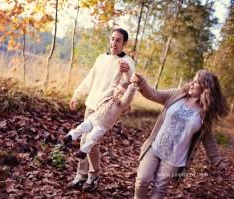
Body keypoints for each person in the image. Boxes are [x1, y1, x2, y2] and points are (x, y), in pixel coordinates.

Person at [131, 70, 229, 199]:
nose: (191, 84)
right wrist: (142, 82)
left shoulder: (205, 114)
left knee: (159, 189)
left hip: (173, 159)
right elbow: (153, 94)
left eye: (196, 82)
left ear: (205, 88)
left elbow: (209, 141)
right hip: (155, 148)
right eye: (192, 80)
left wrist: (218, 161)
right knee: (142, 181)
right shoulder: (176, 94)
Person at [68, 28, 135, 192]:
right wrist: (77, 95)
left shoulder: (127, 62)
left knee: (91, 142)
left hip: (106, 108)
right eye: (112, 39)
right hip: (91, 105)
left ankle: (93, 176)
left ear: (124, 43)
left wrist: (128, 72)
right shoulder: (101, 58)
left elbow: (133, 83)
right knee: (85, 141)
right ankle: (81, 176)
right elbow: (90, 78)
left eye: (118, 40)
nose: (114, 43)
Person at [64, 71, 137, 159]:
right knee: (81, 127)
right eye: (117, 90)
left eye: (121, 93)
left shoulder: (121, 104)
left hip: (102, 125)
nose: (117, 93)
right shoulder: (109, 96)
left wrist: (133, 84)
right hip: (94, 118)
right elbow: (114, 83)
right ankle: (70, 137)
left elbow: (128, 96)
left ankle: (83, 151)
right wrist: (120, 72)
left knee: (92, 137)